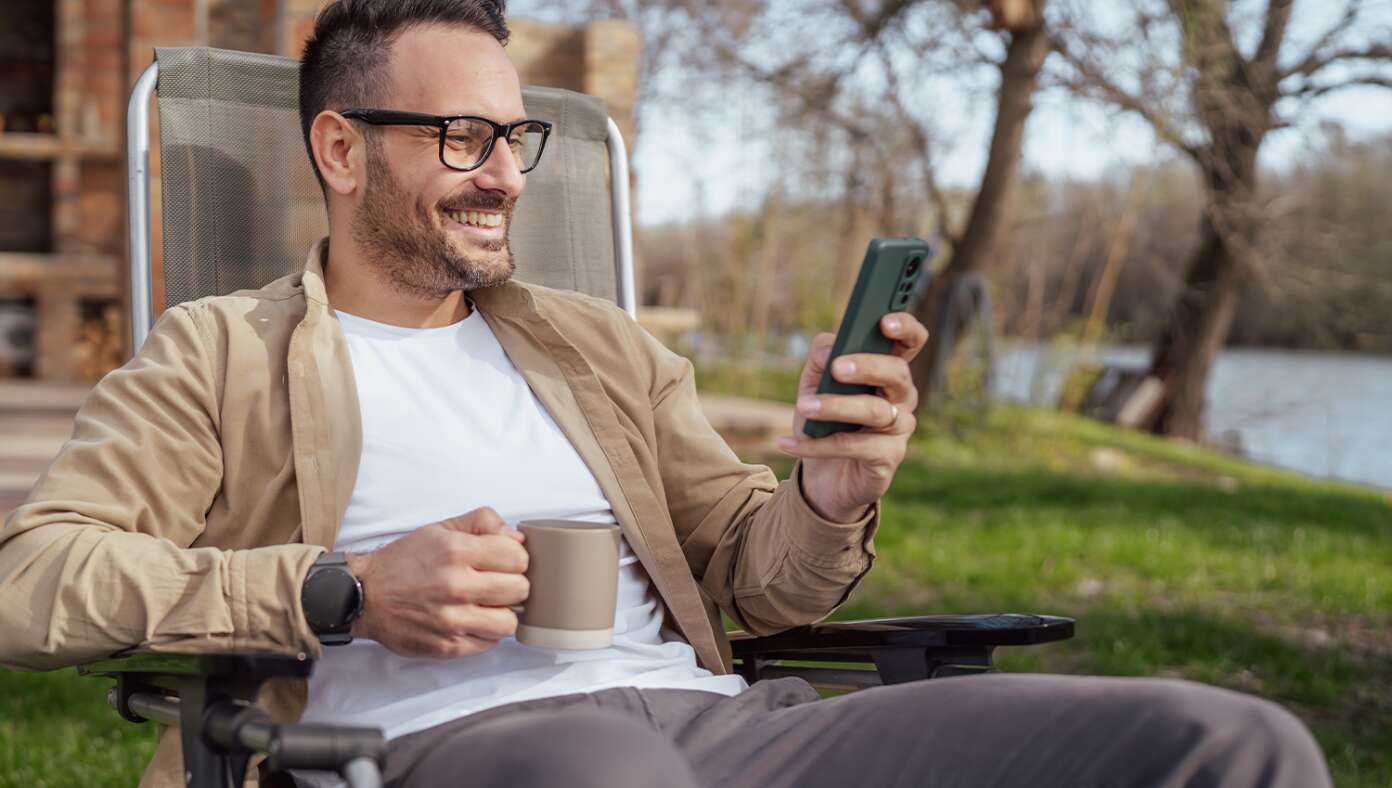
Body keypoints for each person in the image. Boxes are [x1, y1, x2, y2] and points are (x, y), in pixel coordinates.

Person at [0, 1, 1331, 786]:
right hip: (459, 750)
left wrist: (827, 492)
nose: (508, 176)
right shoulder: (216, 353)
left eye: (514, 139)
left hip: (727, 730)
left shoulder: (600, 348)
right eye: (463, 139)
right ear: (341, 150)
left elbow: (763, 584)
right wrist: (332, 593)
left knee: (1228, 741)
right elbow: (33, 582)